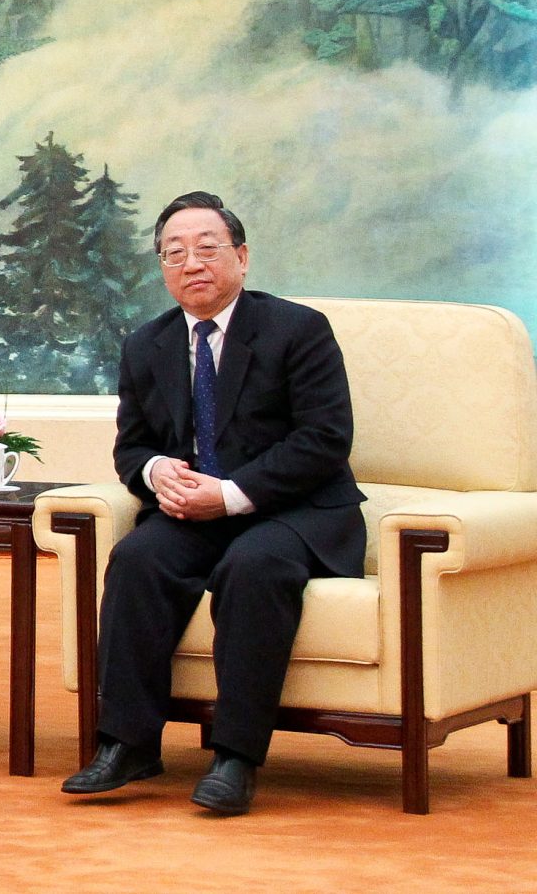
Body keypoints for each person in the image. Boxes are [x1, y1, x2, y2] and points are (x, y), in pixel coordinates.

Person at [62, 191, 361, 817]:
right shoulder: (148, 343)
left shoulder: (297, 330)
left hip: (293, 511)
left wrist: (227, 495)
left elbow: (324, 440)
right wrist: (155, 470)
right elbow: (130, 447)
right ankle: (127, 742)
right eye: (174, 253)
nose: (191, 263)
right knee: (138, 559)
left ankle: (235, 757)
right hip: (193, 511)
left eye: (207, 249)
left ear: (242, 257)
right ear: (162, 268)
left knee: (252, 568)